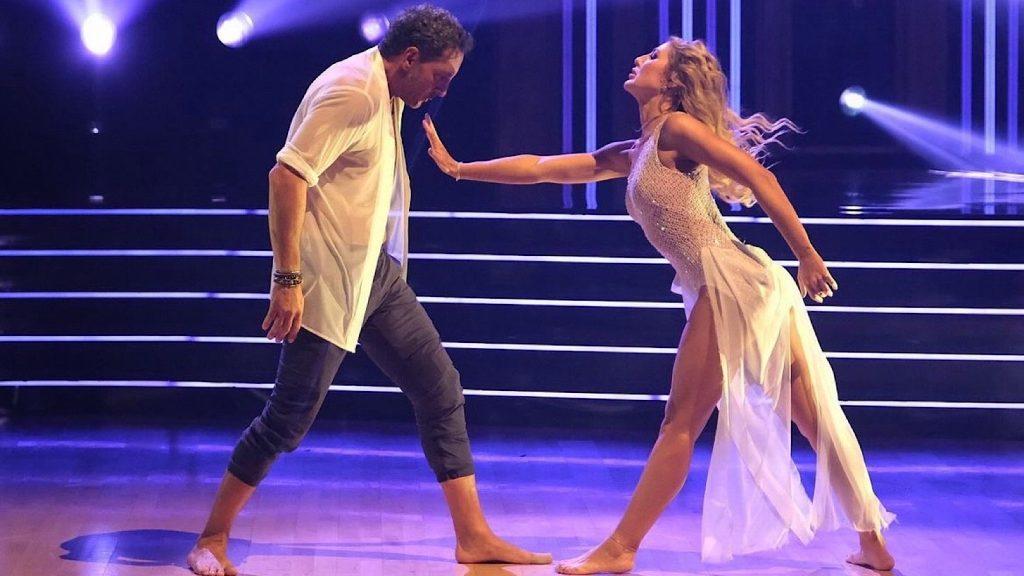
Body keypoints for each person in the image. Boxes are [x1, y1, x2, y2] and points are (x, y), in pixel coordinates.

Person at [422, 37, 896, 574]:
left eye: (652, 58)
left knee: (681, 423)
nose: (639, 60)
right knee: (814, 419)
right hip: (734, 285)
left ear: (671, 84)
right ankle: (873, 543)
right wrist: (460, 169)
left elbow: (758, 176)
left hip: (731, 283)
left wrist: (807, 255)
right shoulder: (636, 149)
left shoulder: (675, 130)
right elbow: (542, 168)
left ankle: (621, 547)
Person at [187, 6, 552, 575]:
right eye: (440, 77)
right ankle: (211, 538)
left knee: (439, 389)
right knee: (289, 419)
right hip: (326, 280)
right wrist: (287, 279)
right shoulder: (354, 90)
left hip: (373, 277)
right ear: (410, 59)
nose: (441, 91)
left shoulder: (388, 91)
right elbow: (286, 176)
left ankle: (473, 535)